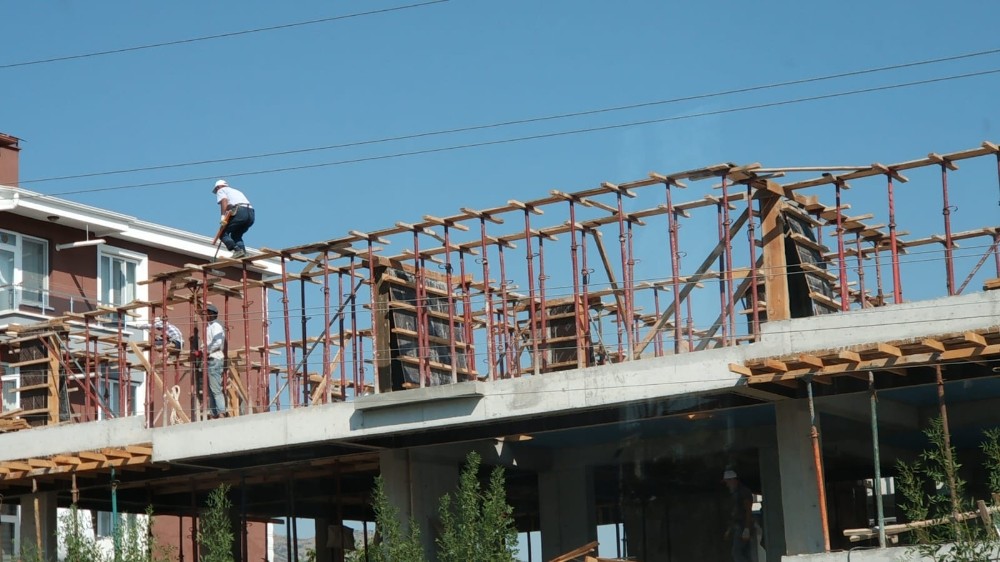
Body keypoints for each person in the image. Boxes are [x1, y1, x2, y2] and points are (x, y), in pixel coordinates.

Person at [212, 179, 255, 258]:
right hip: (251, 214)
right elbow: (231, 205)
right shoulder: (236, 191)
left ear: (218, 187)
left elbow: (224, 201)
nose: (217, 191)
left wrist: (223, 217)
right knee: (236, 235)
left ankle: (237, 250)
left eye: (216, 189)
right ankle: (243, 253)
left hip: (240, 212)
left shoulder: (221, 190)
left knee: (222, 233)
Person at [723, 469, 755, 562]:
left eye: (727, 482)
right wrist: (729, 530)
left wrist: (747, 528)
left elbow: (748, 511)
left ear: (733, 480)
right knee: (744, 553)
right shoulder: (735, 493)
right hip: (739, 526)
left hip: (742, 526)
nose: (727, 485)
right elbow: (735, 513)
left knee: (737, 553)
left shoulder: (743, 492)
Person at [203, 303, 228, 418]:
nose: (205, 315)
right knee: (212, 389)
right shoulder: (208, 327)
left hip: (215, 358)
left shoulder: (216, 326)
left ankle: (221, 412)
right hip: (210, 358)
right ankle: (215, 413)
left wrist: (206, 351)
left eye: (207, 313)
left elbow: (217, 342)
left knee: (216, 389)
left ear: (212, 314)